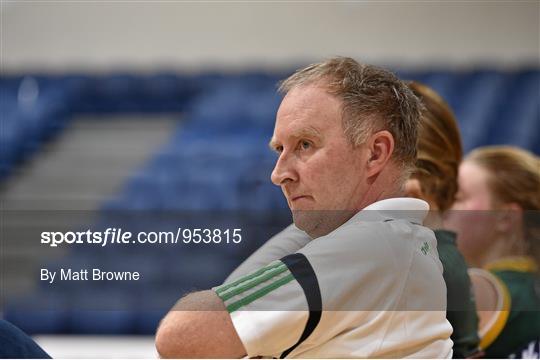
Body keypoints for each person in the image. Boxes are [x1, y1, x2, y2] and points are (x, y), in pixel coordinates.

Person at [155, 57, 453, 358]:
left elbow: (182, 336)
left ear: (375, 153)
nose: (278, 173)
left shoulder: (368, 245)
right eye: (279, 149)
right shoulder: (400, 242)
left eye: (305, 145)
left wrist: (301, 235)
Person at [226, 81, 481, 358]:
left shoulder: (400, 250)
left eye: (307, 145)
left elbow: (221, 320)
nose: (281, 174)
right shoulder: (429, 252)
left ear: (380, 156)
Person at [445, 145, 540, 358]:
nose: (444, 205)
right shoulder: (528, 285)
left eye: (458, 196)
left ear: (505, 217)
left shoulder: (480, 290)